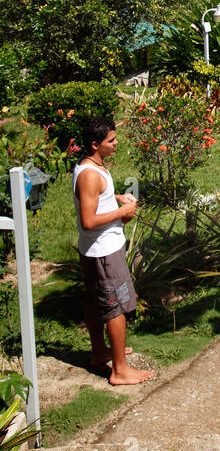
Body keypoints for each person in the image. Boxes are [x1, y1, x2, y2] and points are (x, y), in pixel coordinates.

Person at [73, 117, 154, 387]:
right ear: (95, 144)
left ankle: (100, 352)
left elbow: (95, 197)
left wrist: (116, 198)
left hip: (96, 250)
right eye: (111, 140)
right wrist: (122, 212)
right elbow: (88, 221)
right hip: (104, 252)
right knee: (115, 306)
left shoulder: (90, 165)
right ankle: (120, 370)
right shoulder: (89, 175)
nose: (116, 143)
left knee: (95, 301)